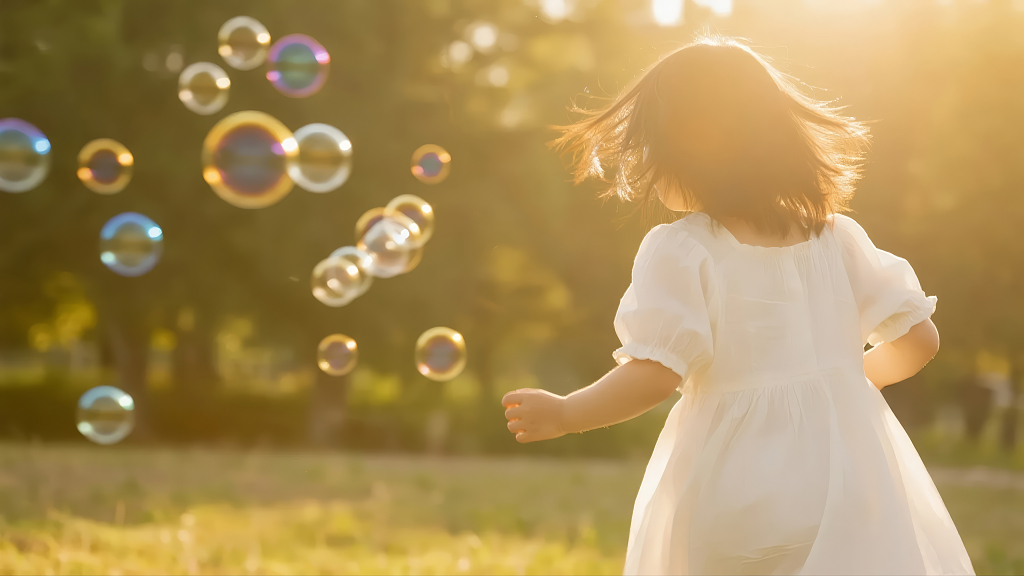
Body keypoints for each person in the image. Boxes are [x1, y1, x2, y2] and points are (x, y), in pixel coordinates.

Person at [501, 35, 974, 575]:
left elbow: (655, 373)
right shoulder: (838, 238)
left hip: (736, 483)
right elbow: (919, 340)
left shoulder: (683, 249)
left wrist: (567, 412)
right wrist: (839, 385)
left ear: (684, 150)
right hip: (848, 479)